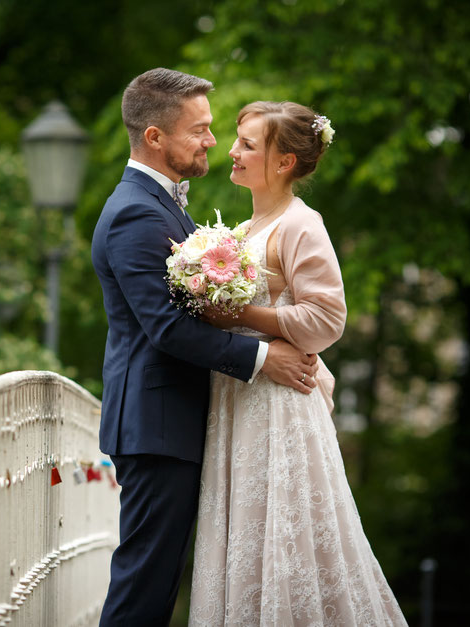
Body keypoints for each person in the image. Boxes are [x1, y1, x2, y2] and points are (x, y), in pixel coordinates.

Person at [91, 68, 318, 626]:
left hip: (172, 422)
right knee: (144, 584)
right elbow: (166, 328)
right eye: (199, 130)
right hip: (156, 425)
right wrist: (266, 358)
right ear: (155, 138)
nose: (213, 141)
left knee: (159, 581)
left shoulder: (161, 205)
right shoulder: (135, 213)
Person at [188, 101, 407, 625]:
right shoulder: (244, 230)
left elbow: (326, 319)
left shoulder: (301, 225)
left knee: (283, 531)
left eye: (247, 144)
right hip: (240, 399)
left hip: (278, 406)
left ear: (284, 162)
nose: (232, 151)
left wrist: (242, 313)